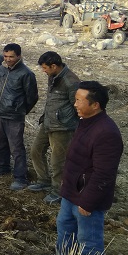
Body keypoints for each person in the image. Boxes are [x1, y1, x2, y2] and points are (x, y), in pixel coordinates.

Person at [43, 81, 122, 255]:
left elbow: (104, 174)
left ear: (95, 105)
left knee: (89, 239)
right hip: (71, 192)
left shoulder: (106, 132)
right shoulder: (85, 122)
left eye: (79, 100)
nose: (75, 104)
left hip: (87, 198)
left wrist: (87, 202)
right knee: (65, 229)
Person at [28, 51, 80, 204]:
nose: (43, 71)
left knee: (58, 161)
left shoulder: (71, 81)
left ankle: (59, 191)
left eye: (45, 68)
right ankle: (43, 180)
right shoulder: (53, 76)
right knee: (36, 150)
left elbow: (77, 106)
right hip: (48, 122)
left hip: (62, 128)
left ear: (54, 66)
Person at [0, 43, 39, 190]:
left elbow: (32, 97)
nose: (8, 59)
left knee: (16, 148)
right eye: (5, 56)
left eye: (11, 56)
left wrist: (20, 110)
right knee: (0, 143)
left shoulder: (26, 74)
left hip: (14, 117)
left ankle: (20, 177)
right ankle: (3, 167)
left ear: (19, 56)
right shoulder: (1, 69)